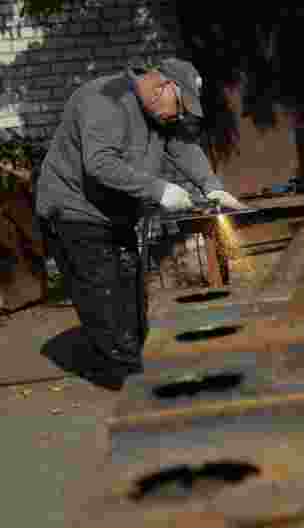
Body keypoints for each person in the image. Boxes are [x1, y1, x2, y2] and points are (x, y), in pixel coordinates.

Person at [34, 58, 246, 386]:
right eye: (180, 105)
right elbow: (100, 163)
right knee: (104, 294)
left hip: (113, 211)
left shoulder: (158, 111)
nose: (179, 116)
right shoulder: (104, 100)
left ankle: (134, 362)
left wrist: (212, 187)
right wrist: (159, 189)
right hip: (73, 210)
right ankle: (125, 380)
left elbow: (182, 148)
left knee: (131, 291)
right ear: (163, 86)